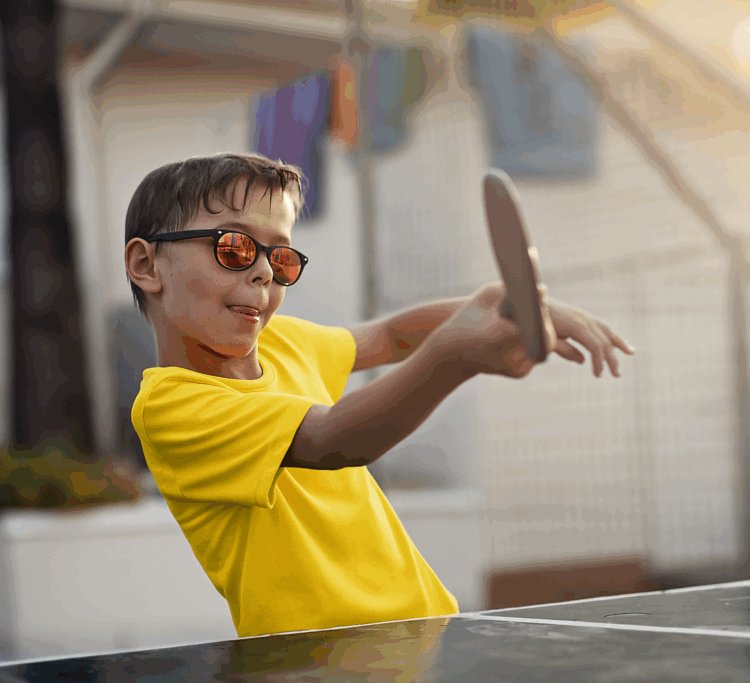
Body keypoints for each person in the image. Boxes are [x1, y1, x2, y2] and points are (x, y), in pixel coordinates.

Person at [124, 152, 634, 638]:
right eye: (233, 247)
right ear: (146, 266)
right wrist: (452, 355)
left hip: (423, 629)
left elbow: (390, 336)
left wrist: (492, 304)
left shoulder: (282, 342)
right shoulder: (172, 407)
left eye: (279, 257)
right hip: (316, 659)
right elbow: (334, 438)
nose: (262, 271)